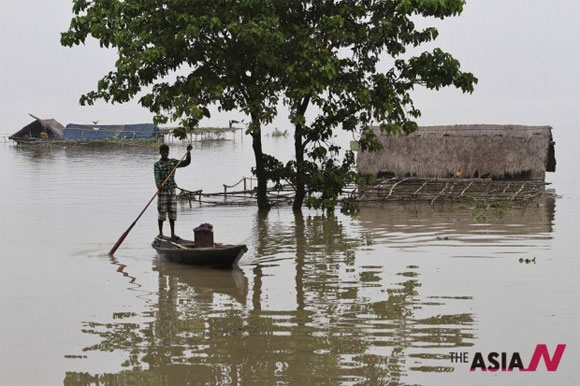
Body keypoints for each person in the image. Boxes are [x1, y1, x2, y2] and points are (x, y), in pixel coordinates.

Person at [154, 143, 192, 240]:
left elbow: (186, 163)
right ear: (160, 153)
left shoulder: (173, 162)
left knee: (172, 212)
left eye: (166, 152)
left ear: (168, 152)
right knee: (162, 212)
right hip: (163, 192)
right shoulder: (157, 165)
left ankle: (172, 234)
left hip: (171, 190)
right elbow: (157, 177)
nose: (165, 154)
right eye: (163, 152)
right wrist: (159, 185)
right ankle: (161, 233)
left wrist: (188, 152)